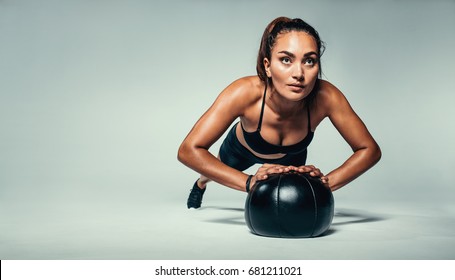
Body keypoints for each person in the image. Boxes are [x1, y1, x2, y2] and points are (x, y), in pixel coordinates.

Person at [178, 17, 381, 209]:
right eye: (286, 60)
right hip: (242, 149)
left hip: (291, 158)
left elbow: (369, 149)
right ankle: (200, 184)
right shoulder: (244, 92)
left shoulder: (326, 97)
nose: (299, 74)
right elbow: (188, 150)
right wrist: (249, 182)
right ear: (267, 66)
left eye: (309, 61)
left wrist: (326, 182)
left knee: (287, 205)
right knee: (210, 174)